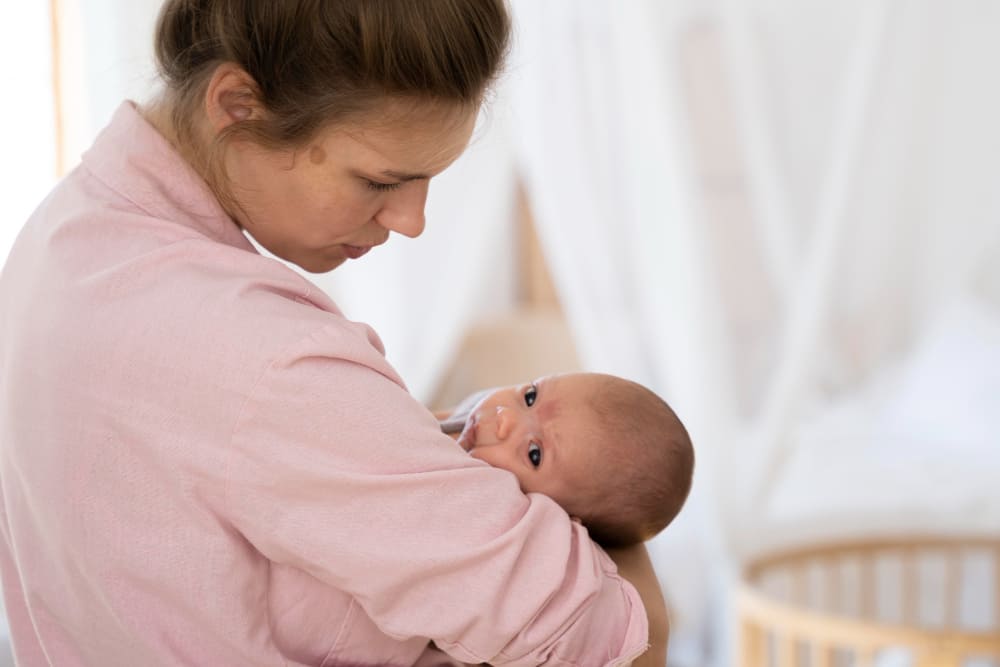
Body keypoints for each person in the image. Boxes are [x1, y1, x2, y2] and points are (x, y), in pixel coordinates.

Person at [0, 1, 670, 665]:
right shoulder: (269, 360)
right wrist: (619, 537)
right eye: (381, 179)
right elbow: (610, 635)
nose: (413, 220)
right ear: (237, 104)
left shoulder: (56, 237)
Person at [439, 373, 694, 548]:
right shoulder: (471, 418)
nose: (504, 417)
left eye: (534, 454)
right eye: (530, 396)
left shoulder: (491, 527)